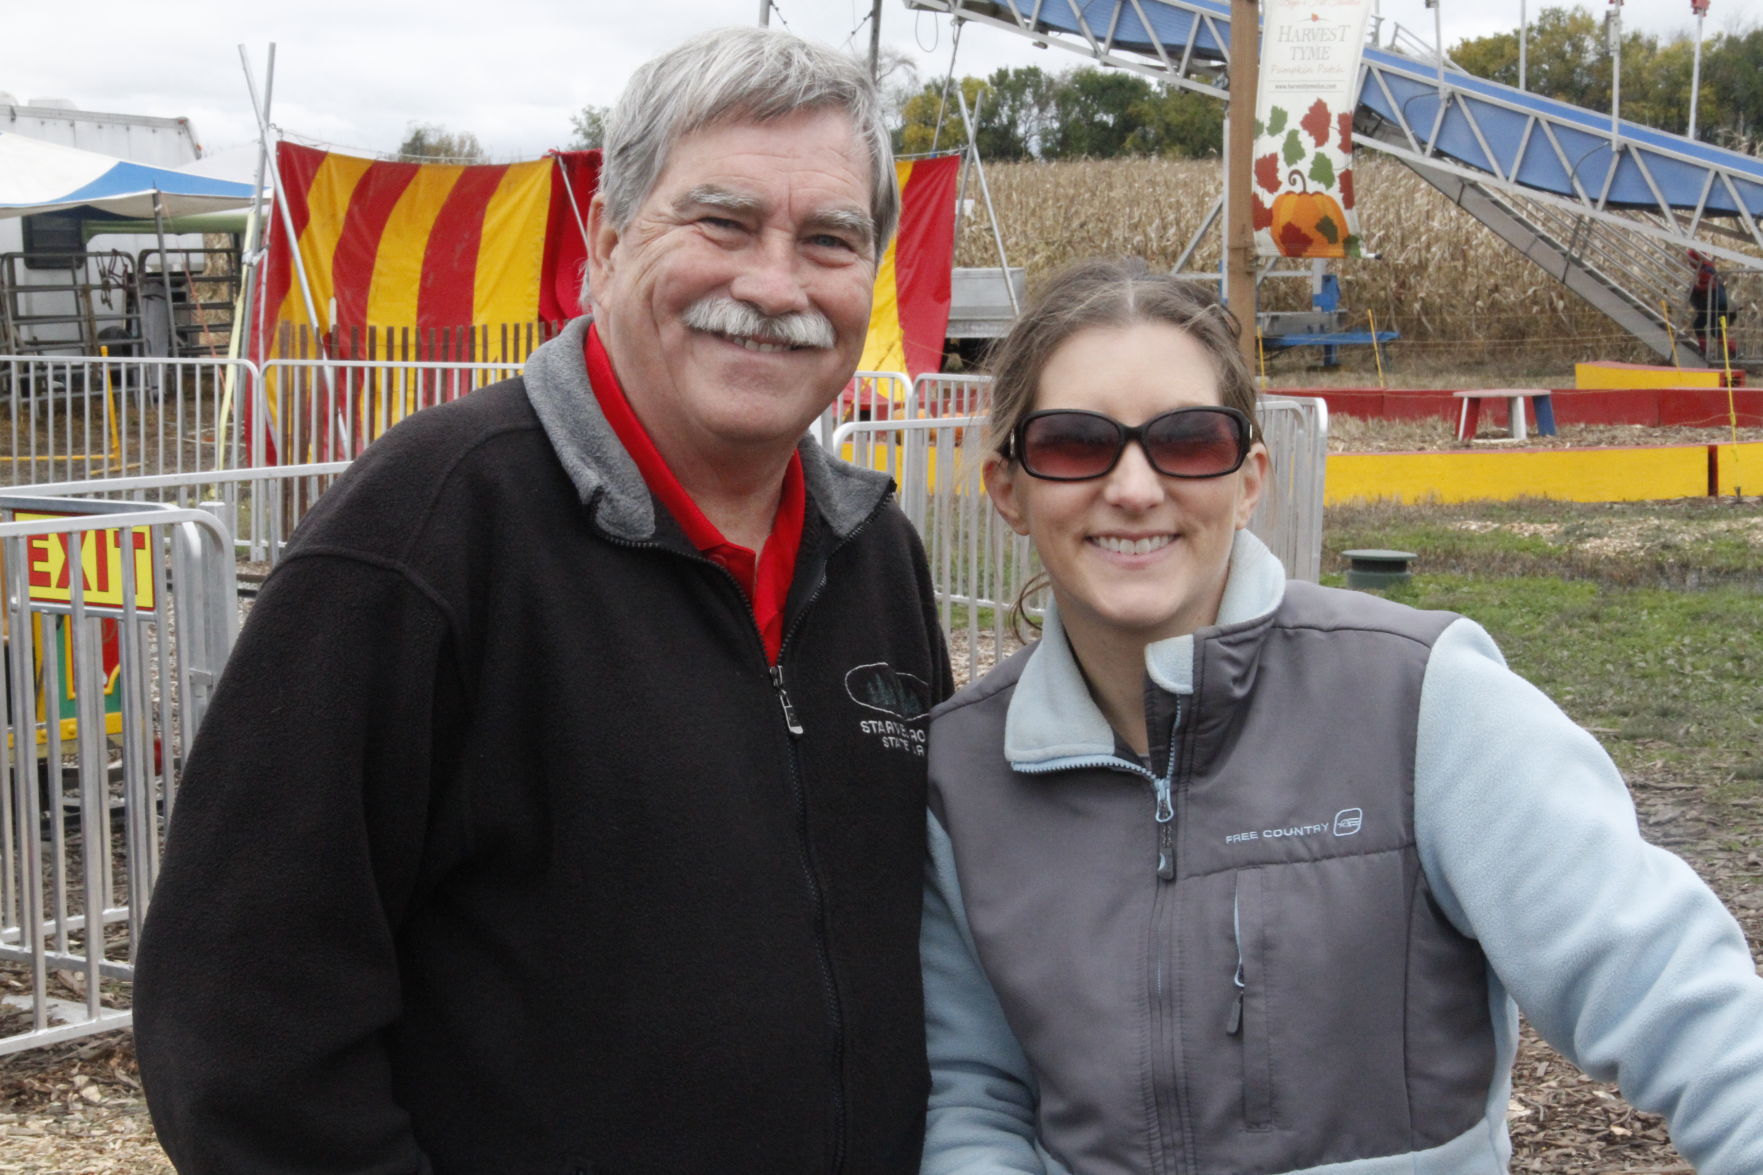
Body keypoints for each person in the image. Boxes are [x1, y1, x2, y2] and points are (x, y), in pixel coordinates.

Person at [134, 28, 951, 1174]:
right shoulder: (423, 535)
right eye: (721, 223)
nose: (774, 284)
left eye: (827, 240)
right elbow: (239, 1024)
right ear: (609, 246)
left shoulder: (875, 556)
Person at [919, 258, 1763, 1175]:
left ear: (1248, 481)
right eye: (1077, 443)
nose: (1132, 487)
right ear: (1007, 488)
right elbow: (977, 1094)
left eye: (1188, 441)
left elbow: (1686, 1007)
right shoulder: (966, 772)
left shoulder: (1423, 700)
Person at [1688, 248, 1736, 361]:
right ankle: (1706, 349)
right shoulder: (1709, 267)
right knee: (1700, 324)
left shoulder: (1705, 270)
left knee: (1712, 328)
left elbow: (1711, 285)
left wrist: (1695, 288)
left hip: (1714, 303)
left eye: (1690, 259)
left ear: (1695, 259)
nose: (1689, 262)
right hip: (1717, 302)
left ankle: (1732, 349)